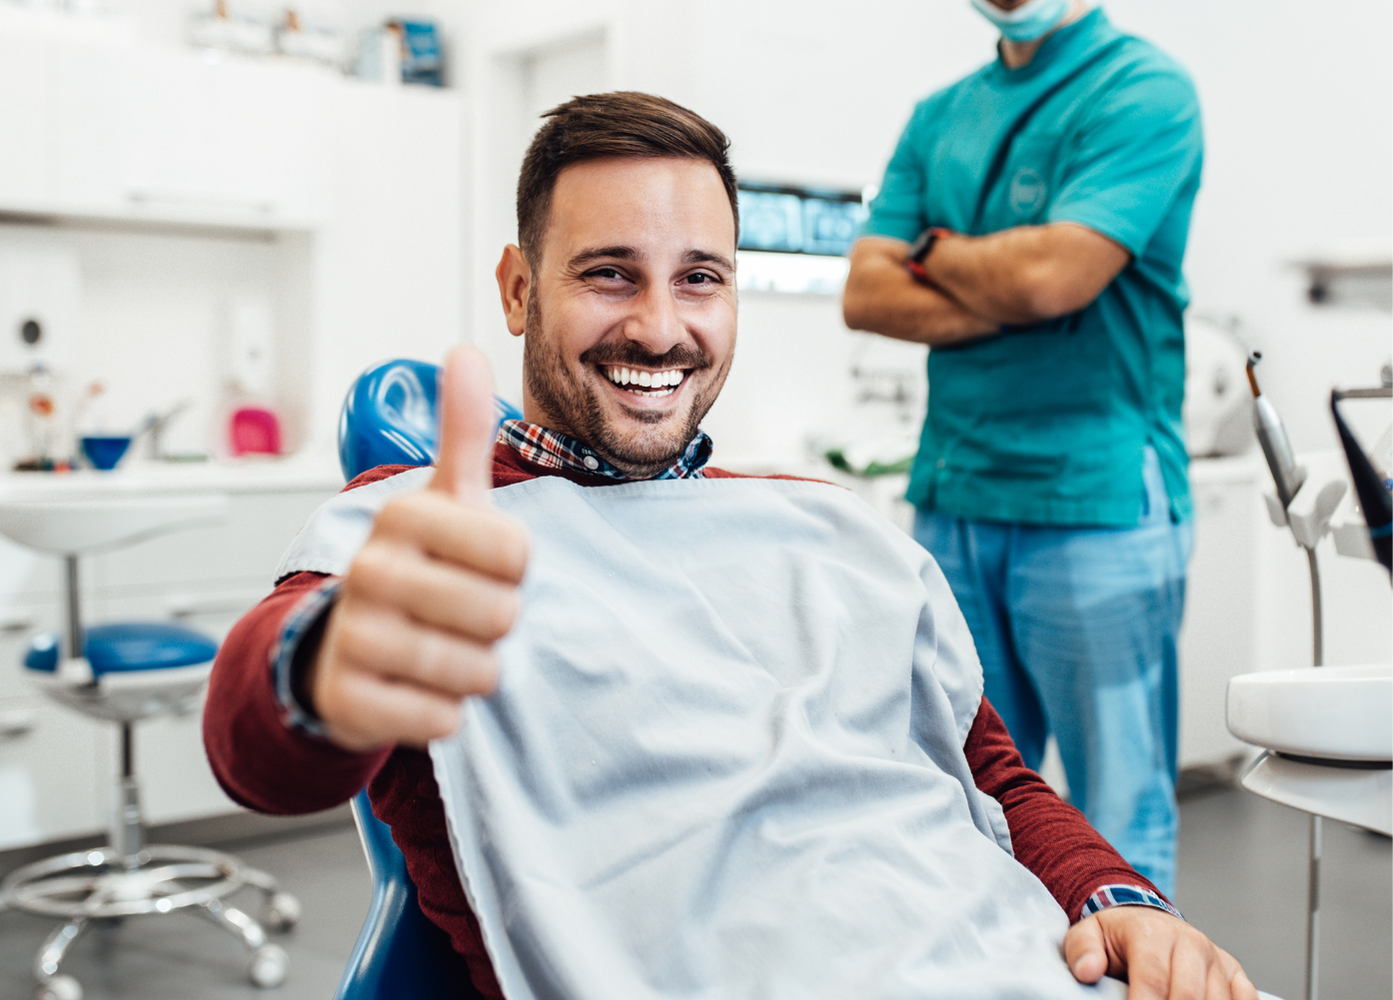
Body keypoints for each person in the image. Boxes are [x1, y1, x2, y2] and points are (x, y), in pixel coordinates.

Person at [204, 92, 1252, 999]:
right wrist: (329, 663)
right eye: (610, 274)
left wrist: (1116, 896)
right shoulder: (423, 536)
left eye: (699, 277)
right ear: (520, 290)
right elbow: (254, 746)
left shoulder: (833, 528)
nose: (661, 327)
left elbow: (992, 775)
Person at [841, 0, 1202, 898]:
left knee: (1116, 811)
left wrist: (936, 252)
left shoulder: (1143, 89)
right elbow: (866, 295)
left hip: (1097, 503)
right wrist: (1015, 289)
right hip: (955, 496)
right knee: (967, 800)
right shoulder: (940, 114)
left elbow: (1055, 277)